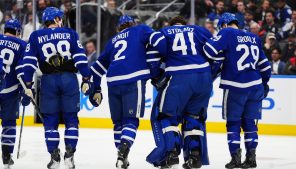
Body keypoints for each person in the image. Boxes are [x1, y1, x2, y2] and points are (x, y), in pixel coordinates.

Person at [22, 7, 92, 169]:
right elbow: (81, 58)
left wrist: (27, 84)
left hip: (48, 81)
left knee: (50, 121)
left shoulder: (36, 36)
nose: (61, 20)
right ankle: (69, 155)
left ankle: (54, 156)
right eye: (59, 18)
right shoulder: (70, 33)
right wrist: (86, 78)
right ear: (56, 19)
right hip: (69, 79)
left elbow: (29, 63)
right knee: (71, 120)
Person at [203, 12, 271, 168]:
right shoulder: (254, 37)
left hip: (235, 86)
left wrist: (221, 53)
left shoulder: (226, 32)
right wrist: (265, 83)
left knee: (233, 123)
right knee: (250, 124)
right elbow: (266, 67)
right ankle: (251, 158)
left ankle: (235, 158)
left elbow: (209, 51)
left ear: (225, 25)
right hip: (255, 86)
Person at [89, 15, 156, 169]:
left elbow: (97, 69)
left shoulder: (112, 41)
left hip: (113, 82)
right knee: (131, 120)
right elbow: (159, 40)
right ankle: (124, 150)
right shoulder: (140, 29)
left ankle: (121, 156)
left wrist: (96, 88)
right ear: (133, 24)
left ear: (118, 28)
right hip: (134, 78)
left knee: (118, 123)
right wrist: (156, 69)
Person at [147, 16, 213, 169]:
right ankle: (194, 156)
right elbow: (216, 53)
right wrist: (211, 75)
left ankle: (172, 152)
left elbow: (151, 56)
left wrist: (156, 77)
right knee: (193, 117)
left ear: (171, 24)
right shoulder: (199, 30)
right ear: (185, 24)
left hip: (178, 77)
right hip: (203, 77)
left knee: (166, 116)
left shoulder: (164, 32)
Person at [0, 19, 26, 169]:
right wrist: (26, 88)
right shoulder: (22, 45)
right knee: (9, 123)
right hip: (11, 90)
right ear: (17, 32)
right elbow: (22, 69)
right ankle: (6, 155)